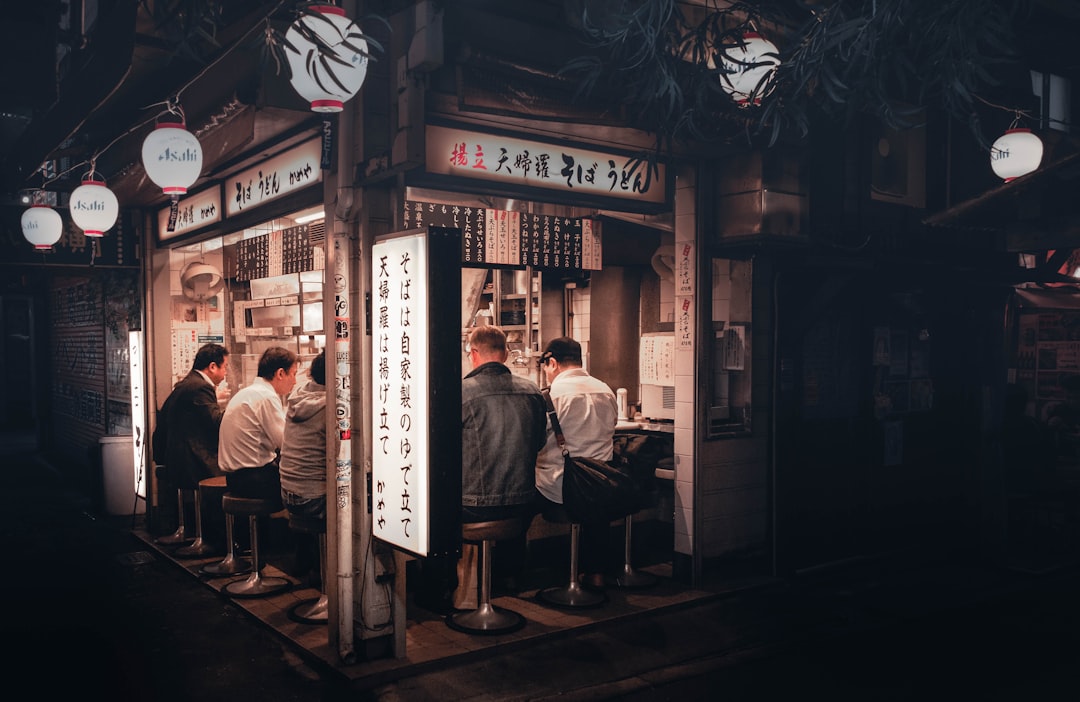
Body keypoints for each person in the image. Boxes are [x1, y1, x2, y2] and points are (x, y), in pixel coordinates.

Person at [416, 325, 546, 613]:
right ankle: (505, 579)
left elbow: (441, 451)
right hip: (521, 506)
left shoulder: (458, 393)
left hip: (473, 508)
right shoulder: (533, 391)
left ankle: (438, 595)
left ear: (473, 353)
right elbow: (539, 444)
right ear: (505, 354)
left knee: (431, 513)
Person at [535, 336, 618, 590]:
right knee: (595, 502)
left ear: (552, 362)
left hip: (558, 490)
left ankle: (511, 576)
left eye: (545, 367)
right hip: (600, 485)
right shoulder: (605, 389)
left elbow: (536, 439)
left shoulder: (550, 396)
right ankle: (595, 574)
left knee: (521, 495)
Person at [152, 343, 230, 533]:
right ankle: (215, 537)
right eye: (225, 366)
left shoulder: (189, 382)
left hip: (177, 457)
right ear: (212, 366)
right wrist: (238, 408)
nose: (226, 372)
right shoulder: (201, 387)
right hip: (192, 460)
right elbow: (216, 422)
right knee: (233, 476)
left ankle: (197, 533)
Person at [218, 346, 298, 507]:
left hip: (235, 477)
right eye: (294, 374)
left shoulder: (250, 392)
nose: (295, 381)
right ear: (280, 373)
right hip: (253, 479)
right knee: (305, 487)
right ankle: (289, 531)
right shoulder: (265, 396)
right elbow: (286, 444)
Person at [279, 349, 327, 584]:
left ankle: (312, 566)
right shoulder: (332, 406)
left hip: (288, 495)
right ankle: (336, 578)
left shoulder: (298, 396)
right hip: (313, 501)